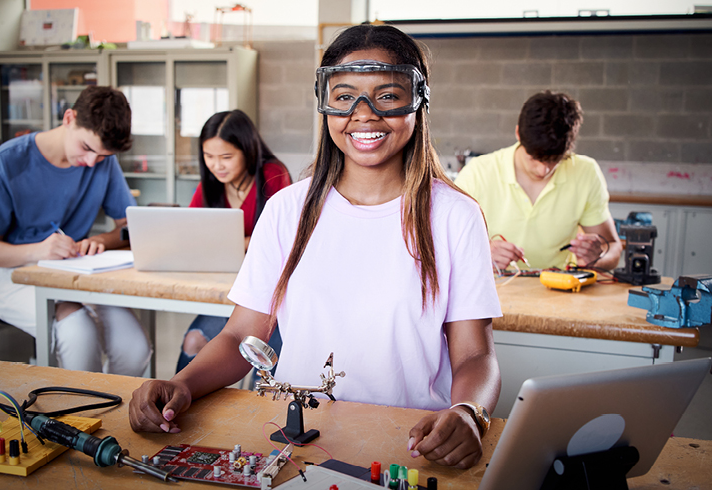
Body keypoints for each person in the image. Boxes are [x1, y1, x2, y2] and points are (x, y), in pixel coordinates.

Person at [129, 24, 501, 469]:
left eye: (387, 96)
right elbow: (239, 336)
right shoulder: (288, 209)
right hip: (297, 442)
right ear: (325, 104)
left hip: (409, 445)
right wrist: (183, 384)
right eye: (344, 97)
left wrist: (468, 413)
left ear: (418, 100)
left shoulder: (455, 215)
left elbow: (475, 354)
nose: (363, 114)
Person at [0, 85, 151, 375]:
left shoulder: (102, 161)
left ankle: (115, 411)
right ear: (69, 118)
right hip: (13, 271)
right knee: (78, 331)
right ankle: (83, 415)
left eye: (103, 156)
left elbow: (130, 228)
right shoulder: (9, 160)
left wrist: (100, 241)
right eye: (87, 148)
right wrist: (39, 250)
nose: (92, 162)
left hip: (78, 269)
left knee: (134, 347)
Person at [177, 109, 292, 373]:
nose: (217, 166)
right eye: (209, 157)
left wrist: (229, 243)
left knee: (263, 360)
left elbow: (281, 240)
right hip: (224, 290)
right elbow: (189, 233)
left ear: (248, 151)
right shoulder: (210, 183)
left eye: (226, 157)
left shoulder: (272, 174)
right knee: (194, 340)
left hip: (267, 295)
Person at [455, 91, 622, 272]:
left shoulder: (585, 172)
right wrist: (480, 253)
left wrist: (596, 258)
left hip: (558, 291)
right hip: (494, 292)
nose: (543, 170)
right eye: (534, 158)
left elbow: (613, 248)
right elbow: (440, 246)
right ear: (518, 133)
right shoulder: (478, 172)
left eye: (554, 160)